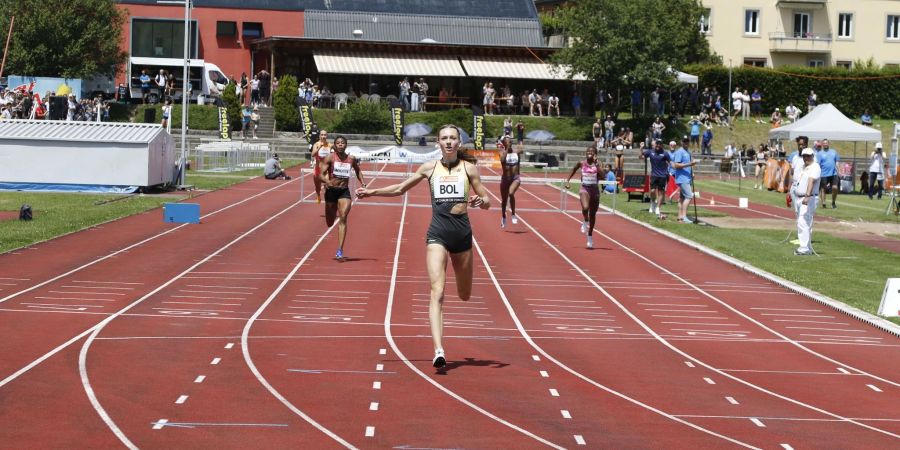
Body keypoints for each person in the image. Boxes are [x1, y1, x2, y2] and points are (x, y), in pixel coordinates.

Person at [355, 125, 491, 368]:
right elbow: (399, 188)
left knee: (464, 294)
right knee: (437, 291)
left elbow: (488, 200)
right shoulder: (429, 168)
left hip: (462, 236)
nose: (448, 142)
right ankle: (438, 349)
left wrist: (481, 201)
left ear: (459, 143)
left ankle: (442, 341)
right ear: (437, 143)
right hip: (437, 233)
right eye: (444, 138)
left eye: (452, 138)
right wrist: (372, 191)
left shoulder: (469, 169)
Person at [319, 136, 365, 259]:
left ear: (346, 145)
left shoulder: (351, 159)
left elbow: (357, 171)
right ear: (335, 145)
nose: (340, 144)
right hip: (330, 191)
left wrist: (363, 184)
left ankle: (340, 249)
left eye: (342, 143)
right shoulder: (330, 158)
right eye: (338, 143)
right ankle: (331, 213)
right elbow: (321, 174)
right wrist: (326, 181)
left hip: (344, 191)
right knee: (329, 222)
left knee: (343, 216)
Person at [564, 147, 605, 248]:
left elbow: (603, 176)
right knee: (585, 208)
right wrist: (567, 180)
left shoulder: (599, 163)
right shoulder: (581, 163)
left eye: (592, 151)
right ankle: (585, 220)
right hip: (585, 189)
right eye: (588, 151)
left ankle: (590, 236)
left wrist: (596, 165)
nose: (589, 152)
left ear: (595, 154)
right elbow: (573, 169)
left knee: (593, 214)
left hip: (595, 190)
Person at [792, 147, 821, 256]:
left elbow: (811, 181)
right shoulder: (804, 167)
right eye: (804, 156)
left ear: (812, 156)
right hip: (800, 197)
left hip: (808, 197)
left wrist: (807, 195)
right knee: (805, 222)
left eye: (808, 156)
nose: (806, 158)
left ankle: (804, 248)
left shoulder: (815, 167)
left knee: (803, 222)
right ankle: (807, 246)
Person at [640, 140, 672, 219]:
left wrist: (675, 169)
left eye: (660, 144)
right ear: (655, 144)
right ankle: (652, 203)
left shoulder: (665, 153)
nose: (658, 145)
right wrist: (641, 149)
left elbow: (671, 162)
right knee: (652, 191)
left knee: (661, 192)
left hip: (662, 176)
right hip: (654, 175)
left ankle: (658, 208)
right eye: (657, 144)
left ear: (661, 145)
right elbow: (641, 157)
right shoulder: (650, 152)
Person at [672, 137, 698, 223]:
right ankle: (684, 216)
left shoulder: (687, 152)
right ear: (681, 142)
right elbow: (676, 165)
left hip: (686, 177)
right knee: (689, 196)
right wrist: (690, 164)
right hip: (682, 178)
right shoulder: (680, 152)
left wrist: (691, 172)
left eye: (687, 141)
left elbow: (688, 165)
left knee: (682, 198)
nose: (686, 142)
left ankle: (680, 217)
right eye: (684, 141)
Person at [498, 136, 522, 228]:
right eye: (507, 142)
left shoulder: (516, 152)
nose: (509, 143)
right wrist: (507, 149)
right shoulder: (502, 152)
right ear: (504, 144)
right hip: (505, 179)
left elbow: (521, 148)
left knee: (511, 193)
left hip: (515, 178)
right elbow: (502, 160)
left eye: (510, 142)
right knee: (504, 200)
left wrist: (520, 135)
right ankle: (503, 216)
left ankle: (513, 214)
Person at [816, 139, 840, 208]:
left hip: (833, 173)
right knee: (823, 189)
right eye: (824, 143)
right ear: (822, 145)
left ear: (828, 144)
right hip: (824, 174)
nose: (825, 144)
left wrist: (839, 171)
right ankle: (823, 203)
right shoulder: (820, 153)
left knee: (835, 187)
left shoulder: (834, 152)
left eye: (826, 143)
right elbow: (818, 164)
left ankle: (833, 202)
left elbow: (837, 162)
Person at [311, 129, 332, 203]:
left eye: (325, 135)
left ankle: (327, 199)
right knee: (317, 187)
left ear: (327, 136)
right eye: (322, 135)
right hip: (318, 169)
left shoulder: (330, 145)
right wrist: (319, 147)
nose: (323, 136)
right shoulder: (316, 144)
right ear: (319, 136)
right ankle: (318, 195)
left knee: (327, 185)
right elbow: (313, 154)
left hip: (326, 170)